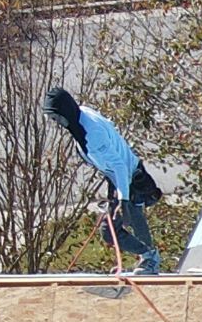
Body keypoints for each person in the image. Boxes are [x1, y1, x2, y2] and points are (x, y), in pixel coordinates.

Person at [43, 86, 166, 275]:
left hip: (129, 178)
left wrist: (123, 199)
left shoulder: (92, 135)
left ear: (66, 111)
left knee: (122, 222)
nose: (57, 122)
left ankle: (150, 260)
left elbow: (120, 166)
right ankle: (147, 257)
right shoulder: (82, 114)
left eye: (57, 116)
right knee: (114, 228)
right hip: (119, 179)